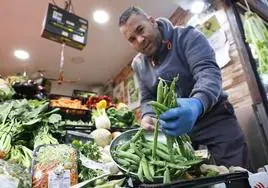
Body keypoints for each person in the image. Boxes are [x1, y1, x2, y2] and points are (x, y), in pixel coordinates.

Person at [118, 6, 248, 168]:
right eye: (132, 39)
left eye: (140, 29)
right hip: (178, 130)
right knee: (188, 176)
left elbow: (207, 73)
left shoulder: (187, 36)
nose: (140, 40)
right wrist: (147, 116)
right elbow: (147, 99)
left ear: (152, 22)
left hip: (215, 118)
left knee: (236, 173)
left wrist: (196, 104)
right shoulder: (138, 64)